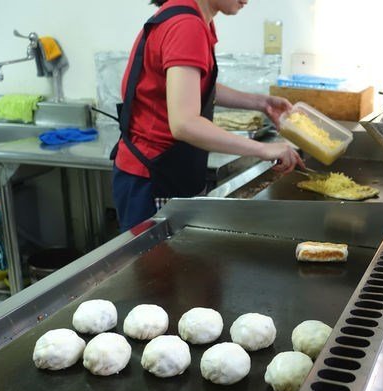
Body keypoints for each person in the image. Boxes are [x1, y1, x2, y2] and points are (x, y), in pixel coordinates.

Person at [112, 0, 304, 232]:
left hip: (162, 171)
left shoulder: (192, 17)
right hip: (153, 178)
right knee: (155, 267)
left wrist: (261, 103)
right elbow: (184, 124)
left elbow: (196, 87)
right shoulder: (186, 25)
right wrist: (262, 149)